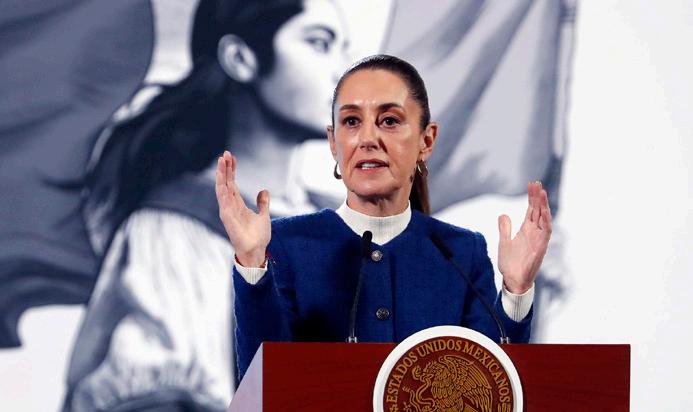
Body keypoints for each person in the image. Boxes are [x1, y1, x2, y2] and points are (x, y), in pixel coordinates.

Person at [63, 1, 354, 411]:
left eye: (344, 49)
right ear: (240, 58)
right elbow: (156, 399)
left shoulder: (345, 225)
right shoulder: (178, 225)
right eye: (319, 43)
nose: (345, 73)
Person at [215, 55, 552, 380]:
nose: (367, 139)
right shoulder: (285, 246)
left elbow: (491, 384)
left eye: (389, 121)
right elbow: (261, 383)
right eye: (351, 122)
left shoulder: (461, 253)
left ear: (426, 140)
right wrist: (252, 264)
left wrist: (516, 289)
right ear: (333, 142)